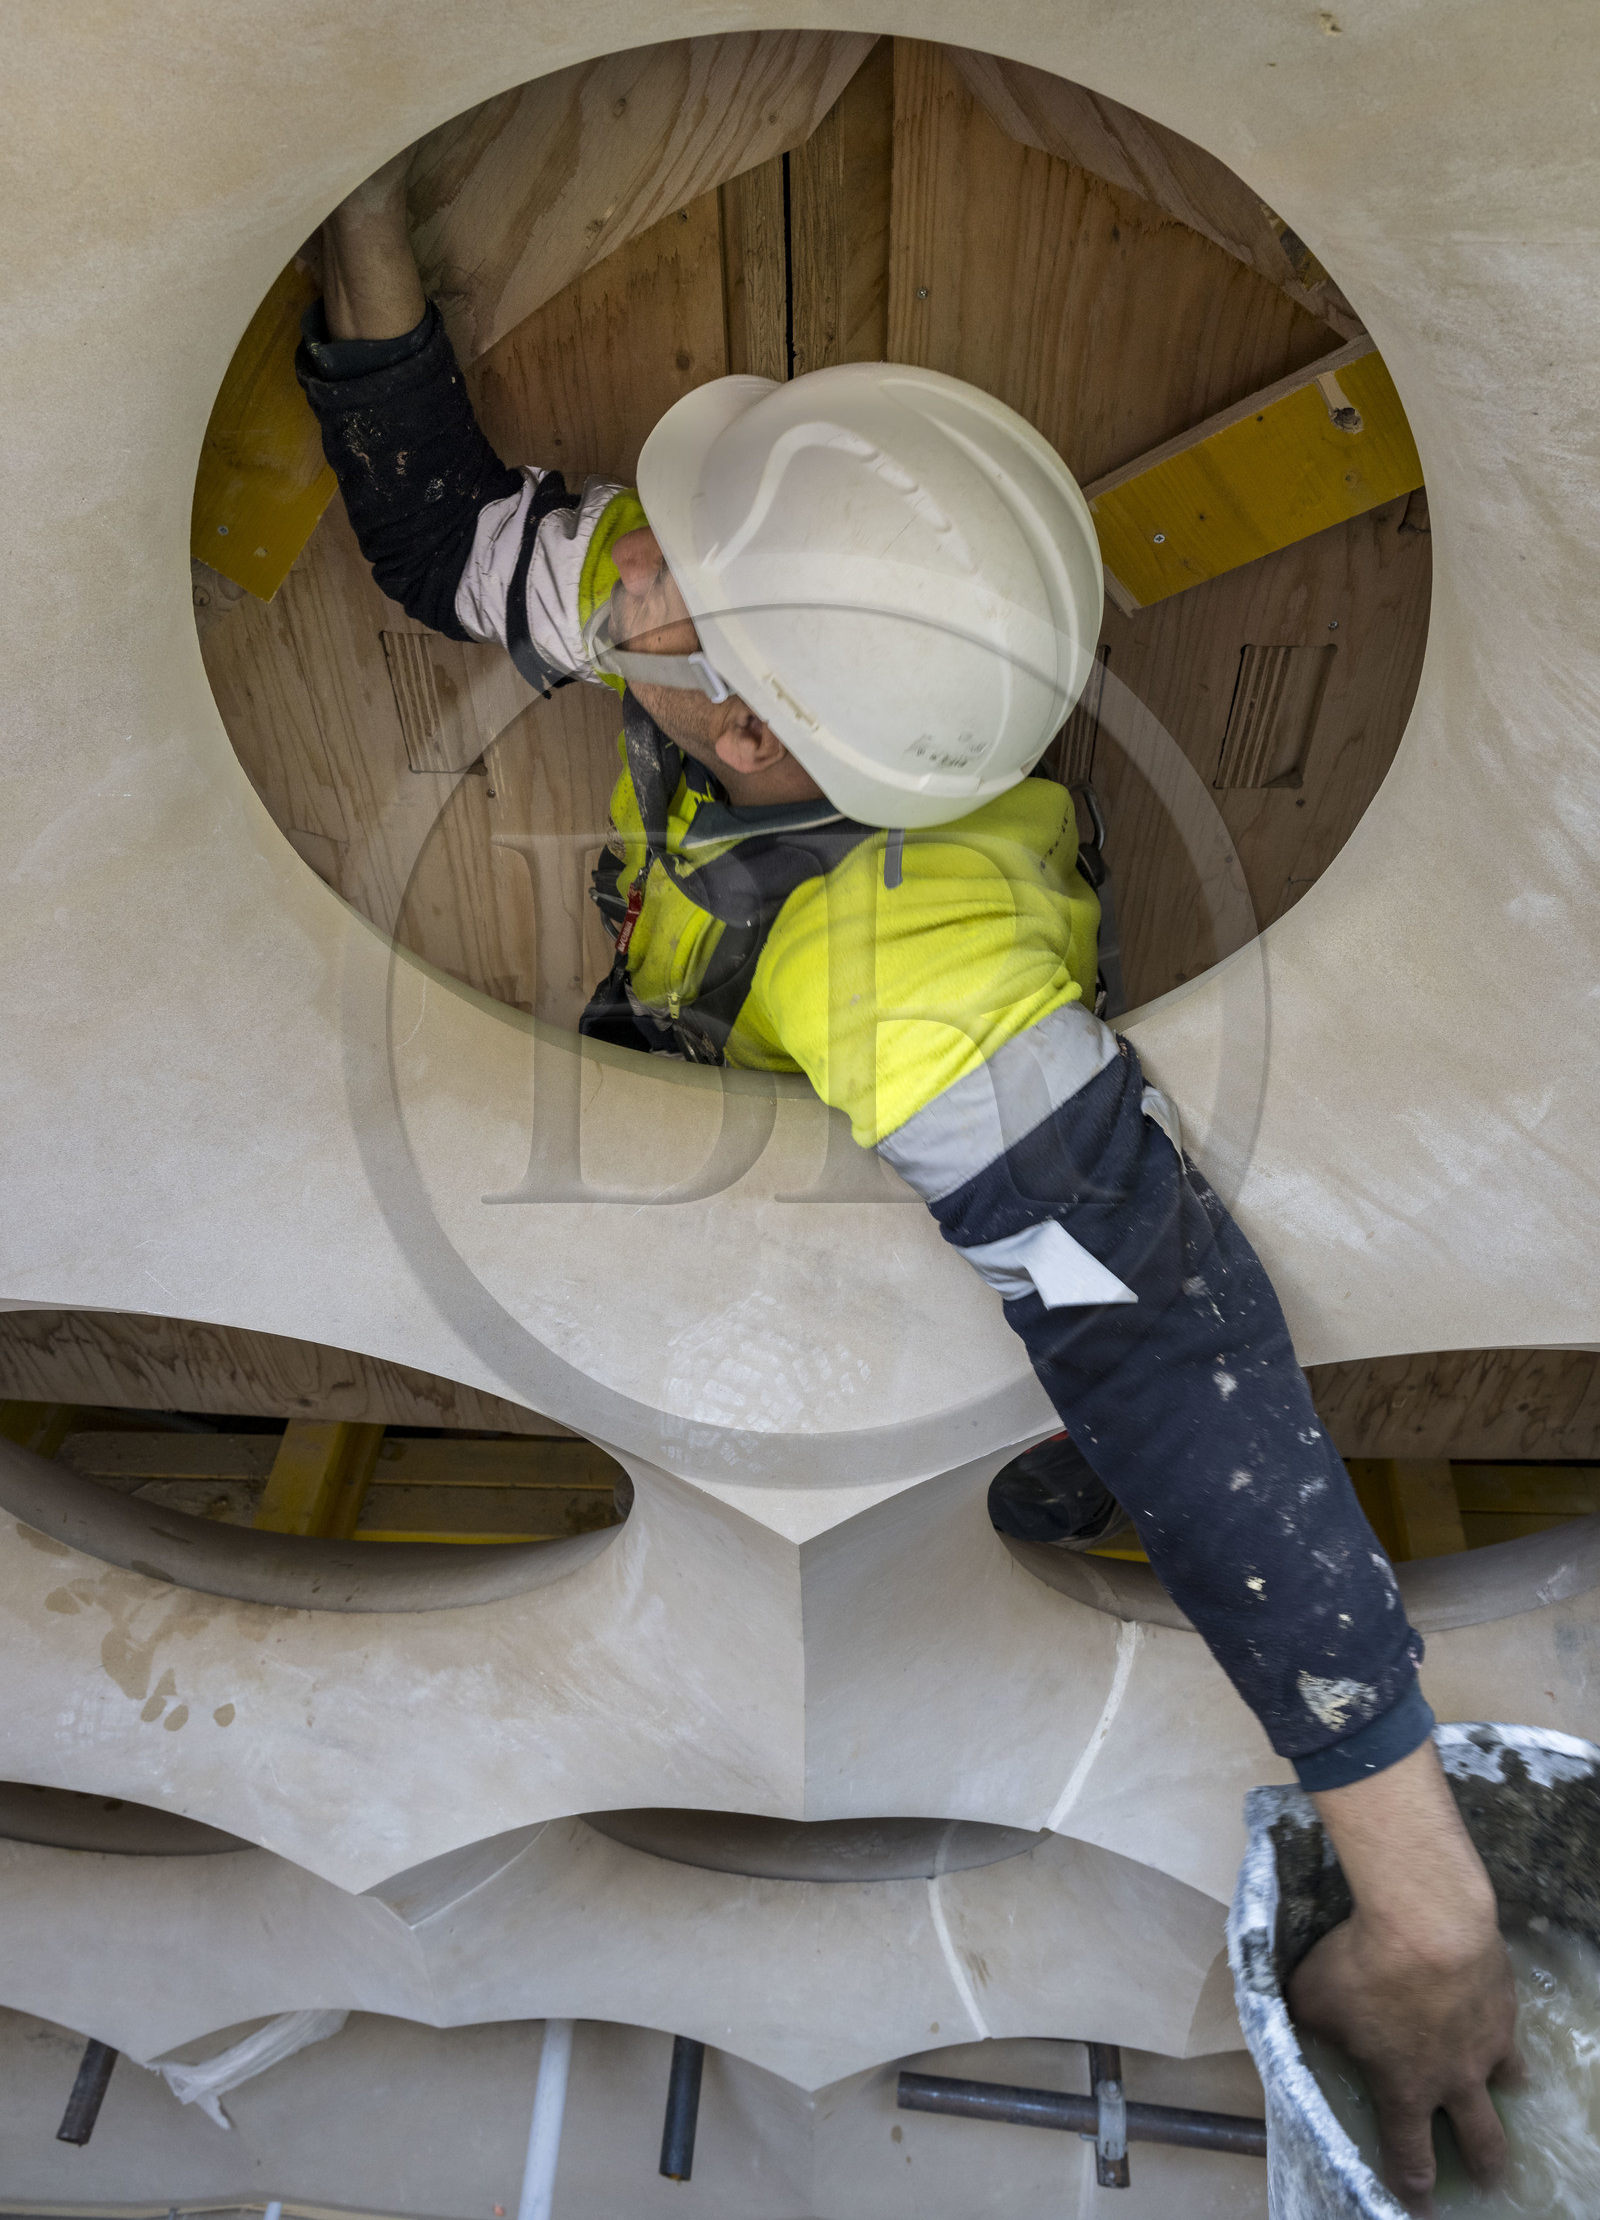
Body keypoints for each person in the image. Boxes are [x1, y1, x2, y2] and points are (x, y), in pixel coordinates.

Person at [297, 152, 1518, 2210]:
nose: (624, 583)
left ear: (755, 737)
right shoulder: (788, 630)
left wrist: (1424, 1904)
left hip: (916, 1357)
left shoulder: (912, 965)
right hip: (717, 1064)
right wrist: (361, 256)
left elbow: (1158, 1338)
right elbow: (453, 549)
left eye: (662, 595)